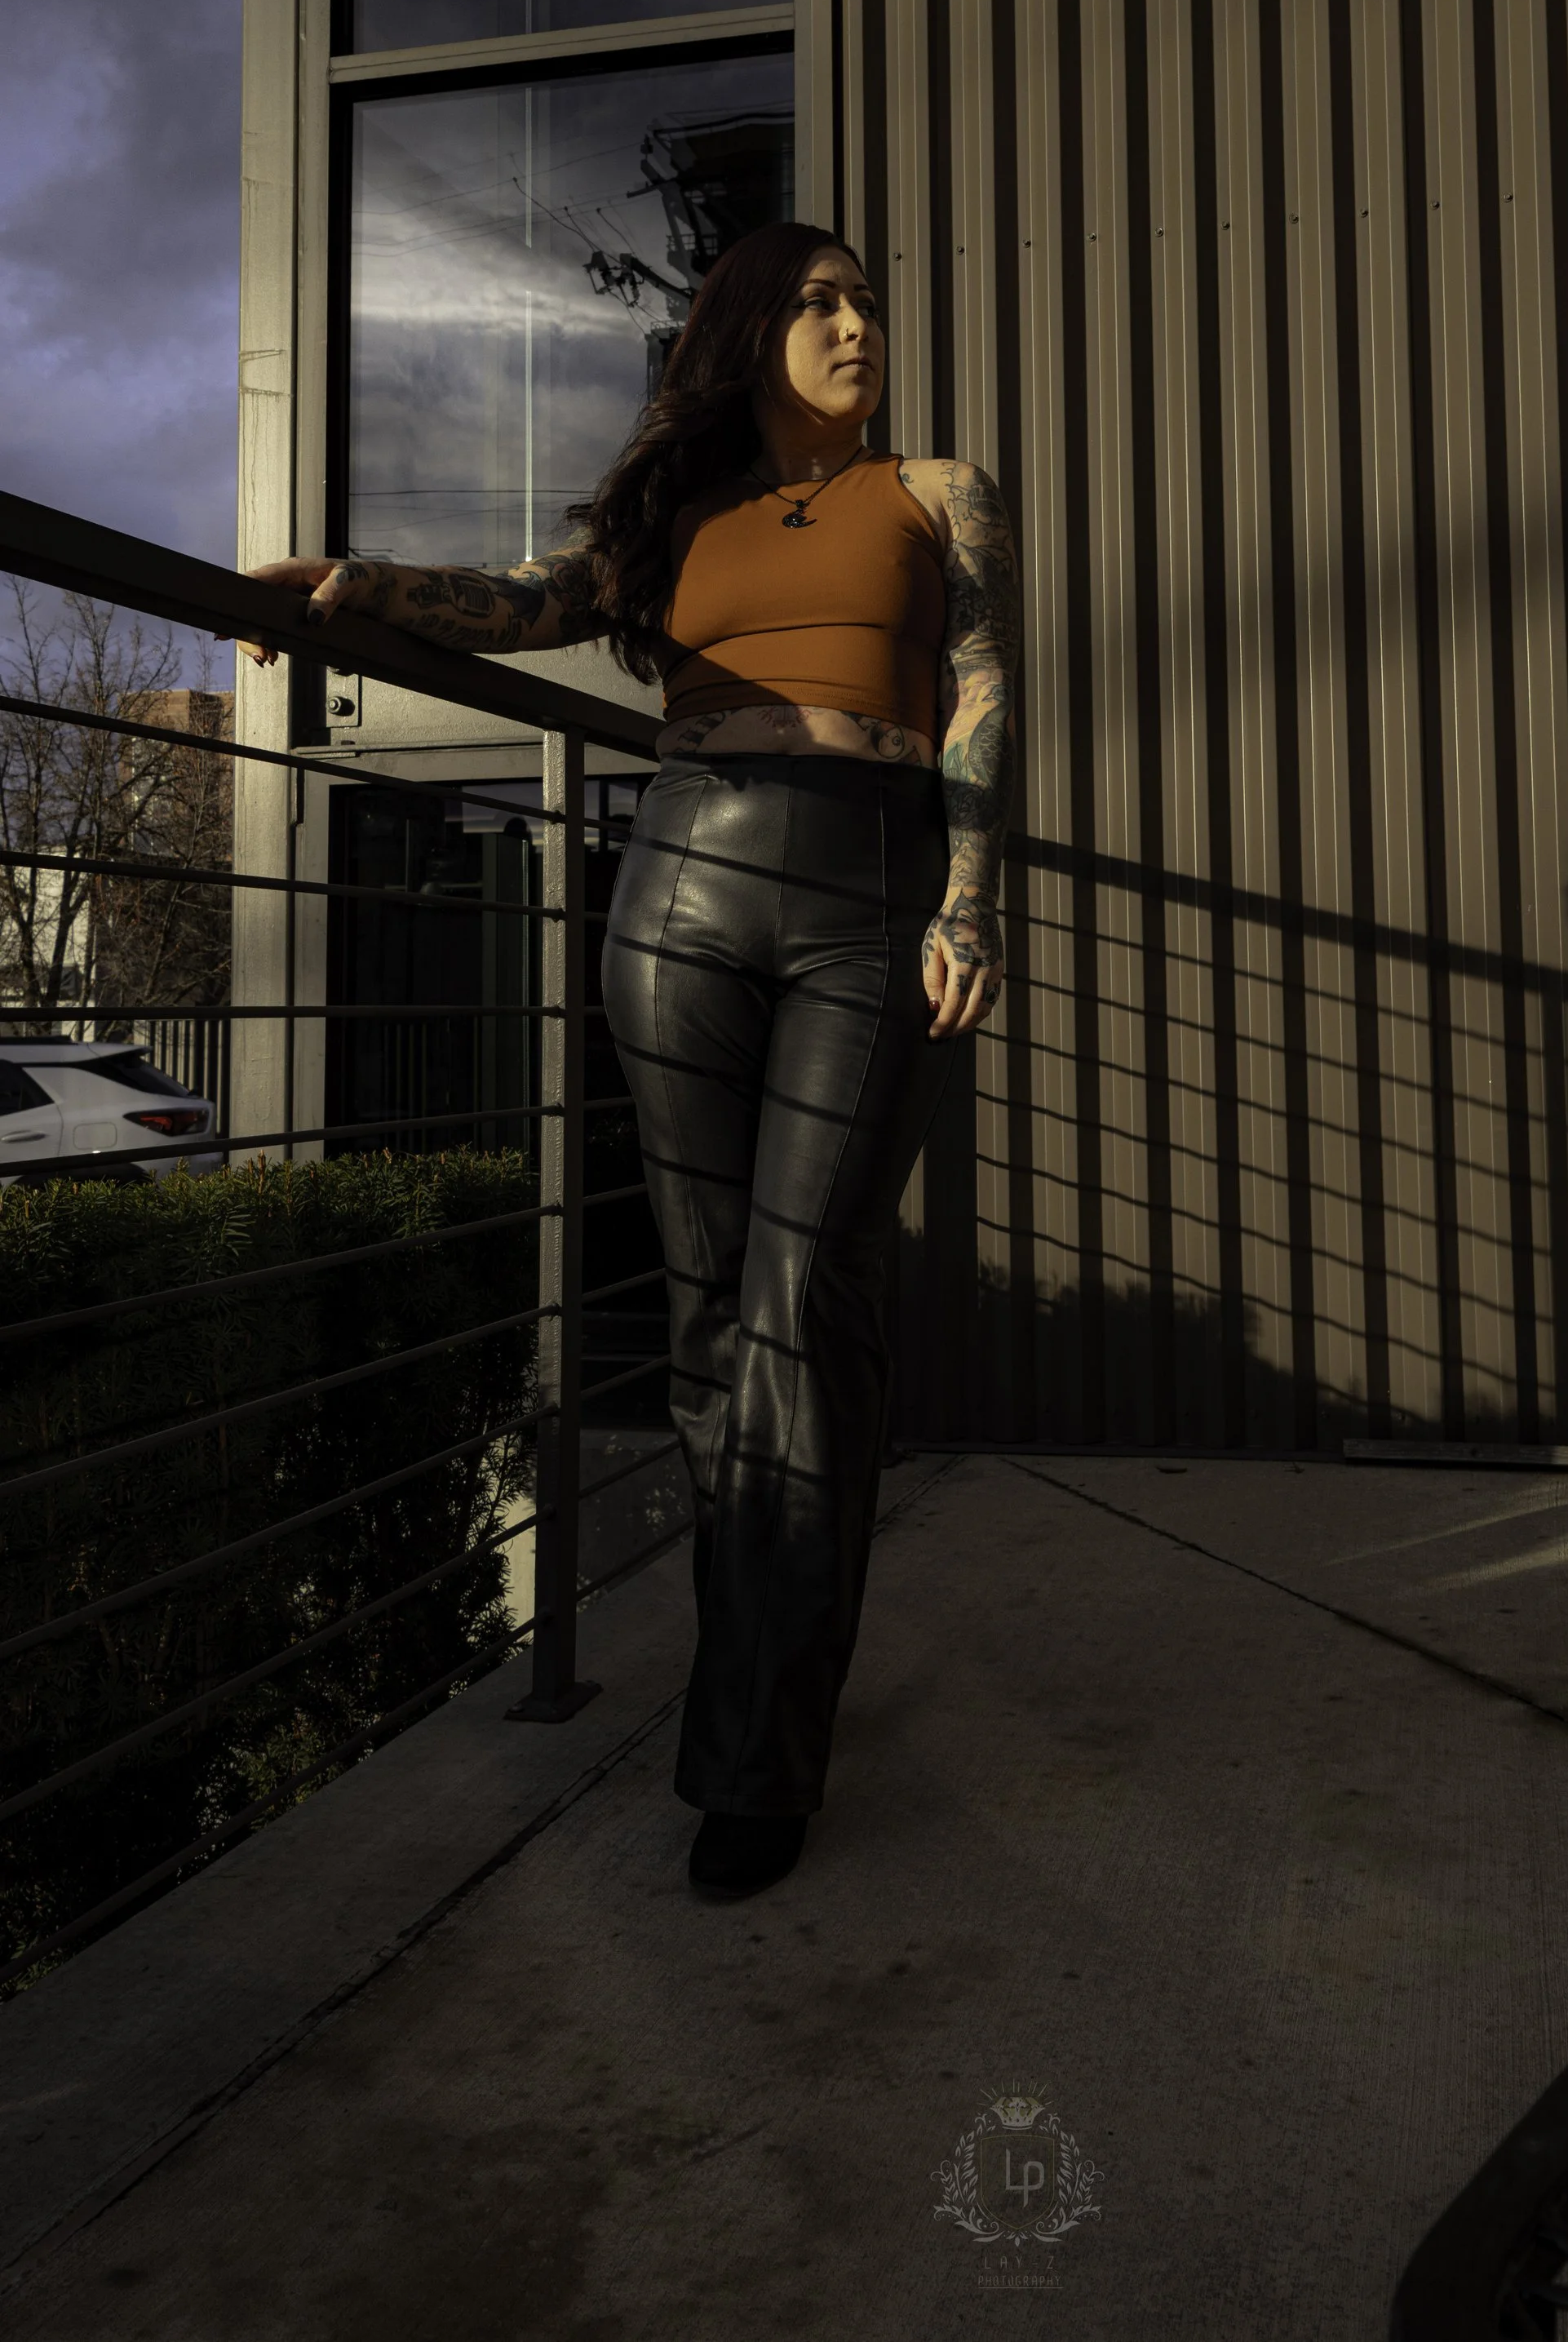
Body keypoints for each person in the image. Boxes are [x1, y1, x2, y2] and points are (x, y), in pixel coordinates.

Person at [246, 222, 1017, 1900]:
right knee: (702, 1305)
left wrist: (969, 900)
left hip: (866, 888)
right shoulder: (671, 510)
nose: (852, 325)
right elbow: (528, 601)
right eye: (818, 303)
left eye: (865, 305)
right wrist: (352, 587)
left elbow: (973, 688)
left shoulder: (940, 491)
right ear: (746, 331)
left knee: (803, 1296)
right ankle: (755, 1676)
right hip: (675, 883)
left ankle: (755, 1749)